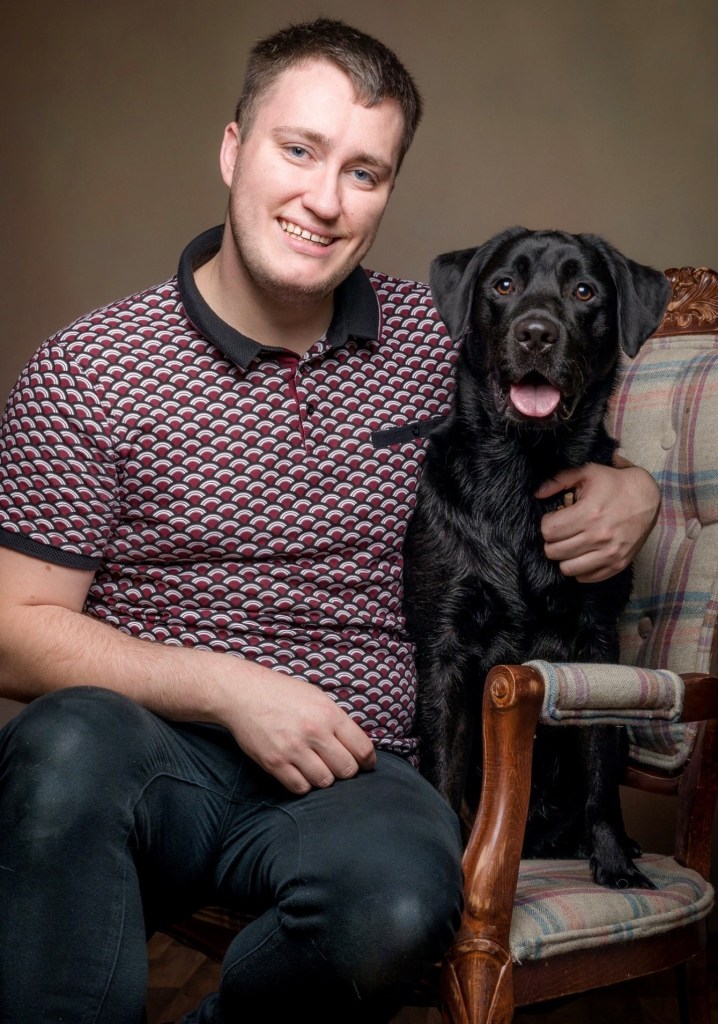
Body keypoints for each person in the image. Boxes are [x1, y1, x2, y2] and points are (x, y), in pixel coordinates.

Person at [0, 17, 660, 1024]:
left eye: (363, 171)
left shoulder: (443, 337)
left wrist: (633, 489)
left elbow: (556, 403)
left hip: (363, 769)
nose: (324, 199)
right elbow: (12, 628)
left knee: (400, 904)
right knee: (59, 751)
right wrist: (230, 689)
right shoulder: (90, 369)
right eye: (299, 150)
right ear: (233, 148)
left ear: (387, 190)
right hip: (152, 753)